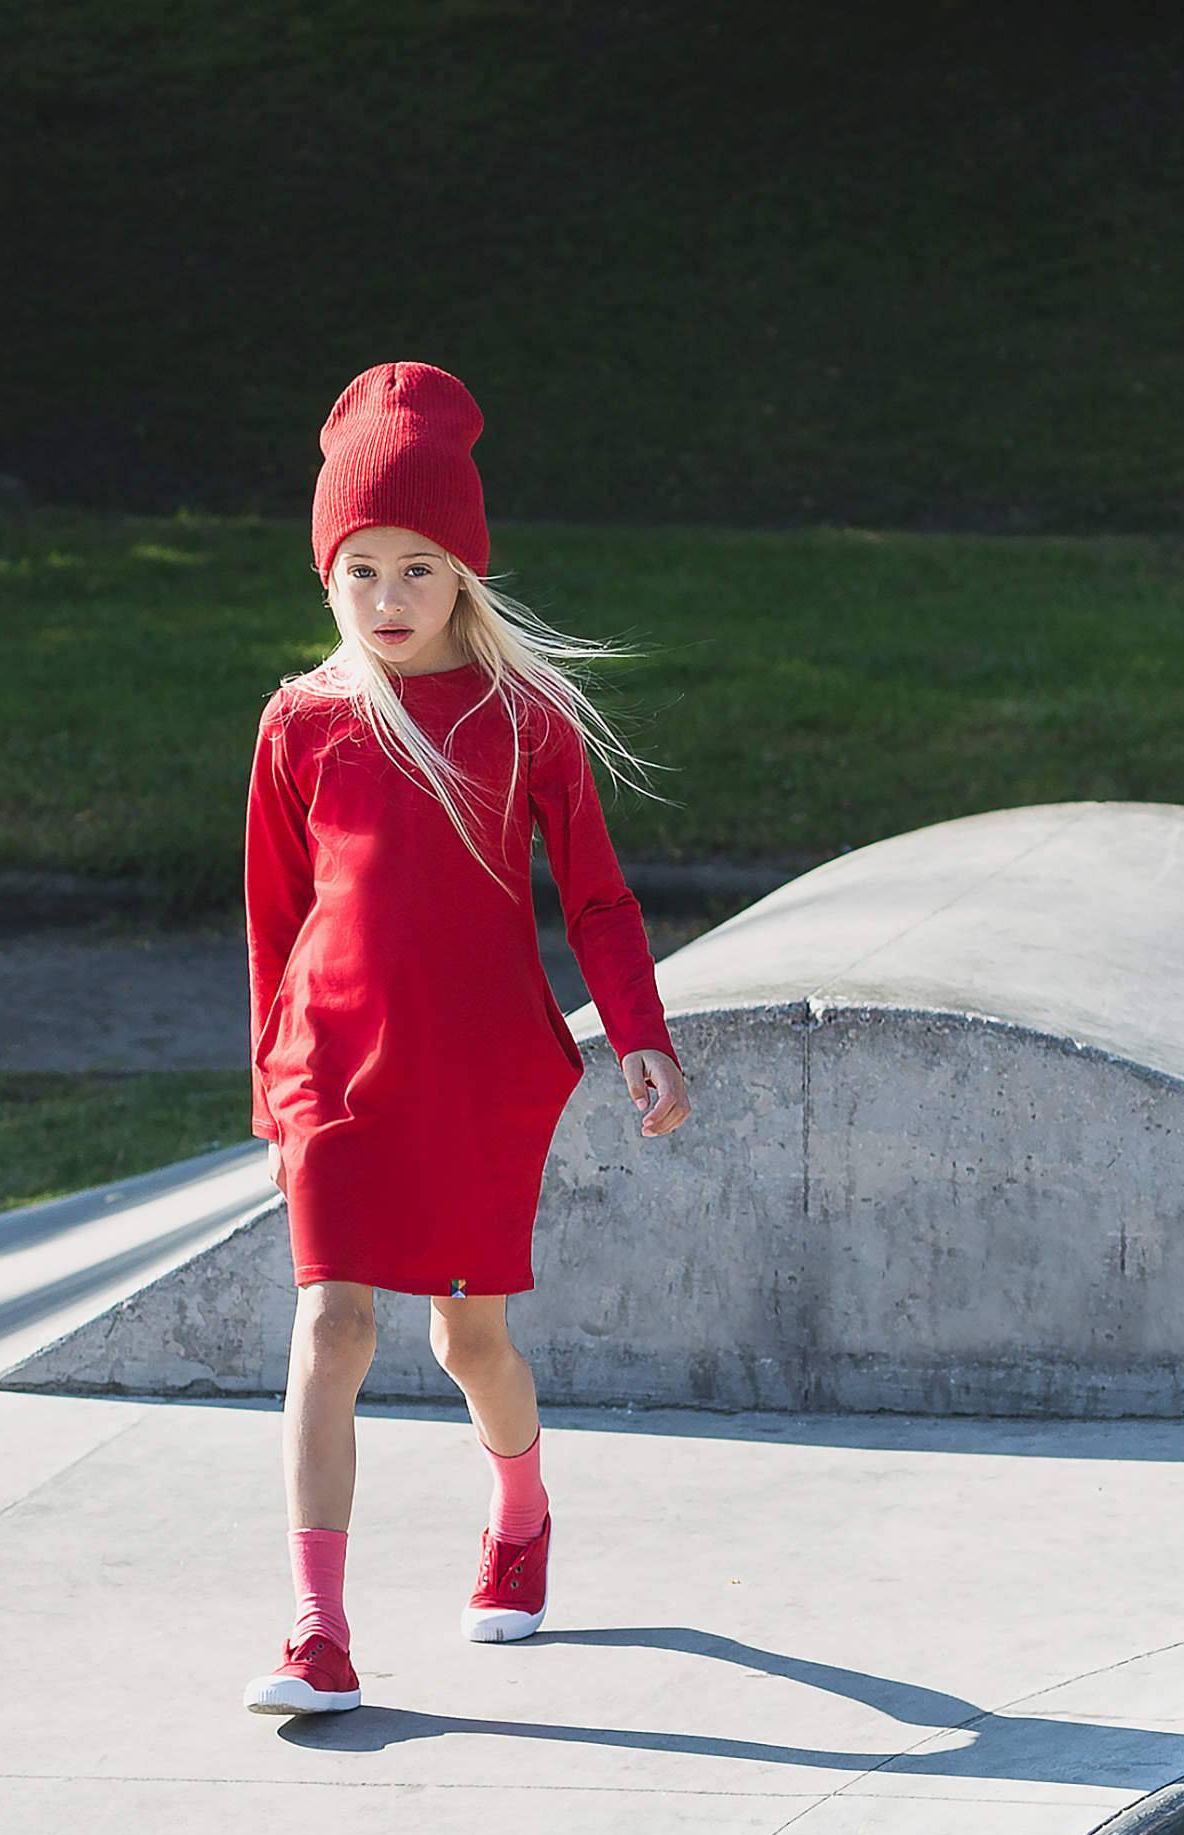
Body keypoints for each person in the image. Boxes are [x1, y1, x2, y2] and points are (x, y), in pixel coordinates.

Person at [241, 361, 691, 1717]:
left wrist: (641, 1037)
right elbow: (273, 922)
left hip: (482, 1069)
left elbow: (598, 899)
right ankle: (317, 1630)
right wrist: (271, 1090)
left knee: (469, 1346)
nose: (387, 601)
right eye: (361, 569)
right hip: (330, 1070)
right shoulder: (301, 721)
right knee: (330, 1323)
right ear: (328, 572)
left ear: (466, 577)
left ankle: (520, 1514)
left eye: (418, 571)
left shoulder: (521, 720)